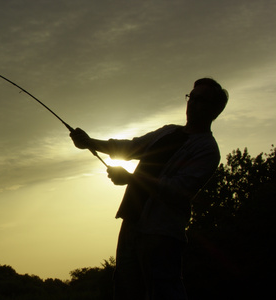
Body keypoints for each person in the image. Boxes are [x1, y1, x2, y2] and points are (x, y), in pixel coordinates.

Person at [69, 78, 228, 300]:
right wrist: (90, 142)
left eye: (201, 100)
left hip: (161, 233)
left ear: (214, 110)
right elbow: (131, 147)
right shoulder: (168, 132)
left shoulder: (208, 149)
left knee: (163, 291)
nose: (192, 103)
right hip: (131, 223)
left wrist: (132, 179)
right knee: (125, 289)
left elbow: (178, 190)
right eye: (191, 97)